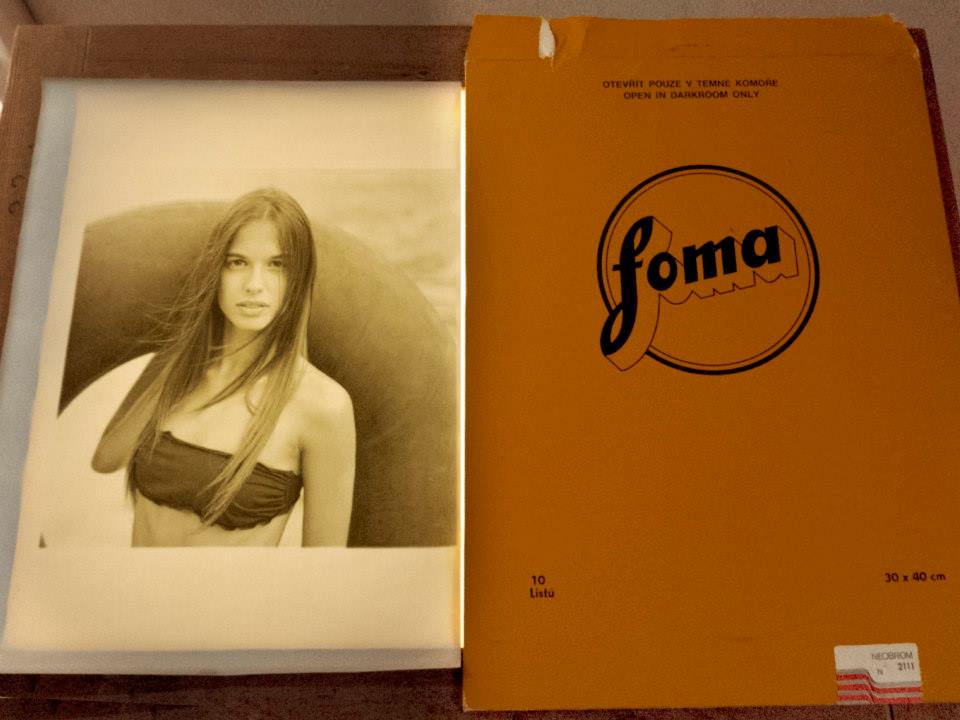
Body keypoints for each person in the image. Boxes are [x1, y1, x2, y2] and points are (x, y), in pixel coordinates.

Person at [91, 188, 355, 547]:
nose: (254, 286)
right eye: (237, 262)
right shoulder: (176, 364)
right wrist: (182, 363)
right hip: (139, 581)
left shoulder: (325, 406)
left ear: (299, 278)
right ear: (215, 271)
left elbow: (323, 562)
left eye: (277, 265)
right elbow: (106, 459)